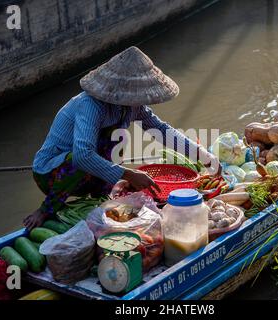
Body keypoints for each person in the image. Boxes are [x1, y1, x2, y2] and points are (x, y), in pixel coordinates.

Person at [24, 46, 220, 230]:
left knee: (118, 139)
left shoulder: (133, 107)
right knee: (83, 153)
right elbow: (82, 156)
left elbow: (162, 131)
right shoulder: (90, 105)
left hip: (84, 174)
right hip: (52, 173)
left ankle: (101, 195)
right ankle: (46, 209)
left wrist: (204, 156)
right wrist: (129, 174)